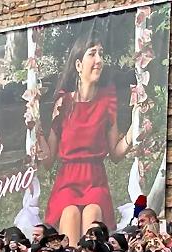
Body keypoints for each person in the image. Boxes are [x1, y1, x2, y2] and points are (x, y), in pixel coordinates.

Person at [37, 32, 135, 238]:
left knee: (92, 213)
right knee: (70, 214)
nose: (99, 60)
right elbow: (48, 161)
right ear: (79, 65)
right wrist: (35, 131)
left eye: (101, 54)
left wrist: (135, 129)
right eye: (92, 54)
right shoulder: (64, 103)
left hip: (95, 179)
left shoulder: (107, 101)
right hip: (68, 180)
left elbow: (116, 154)